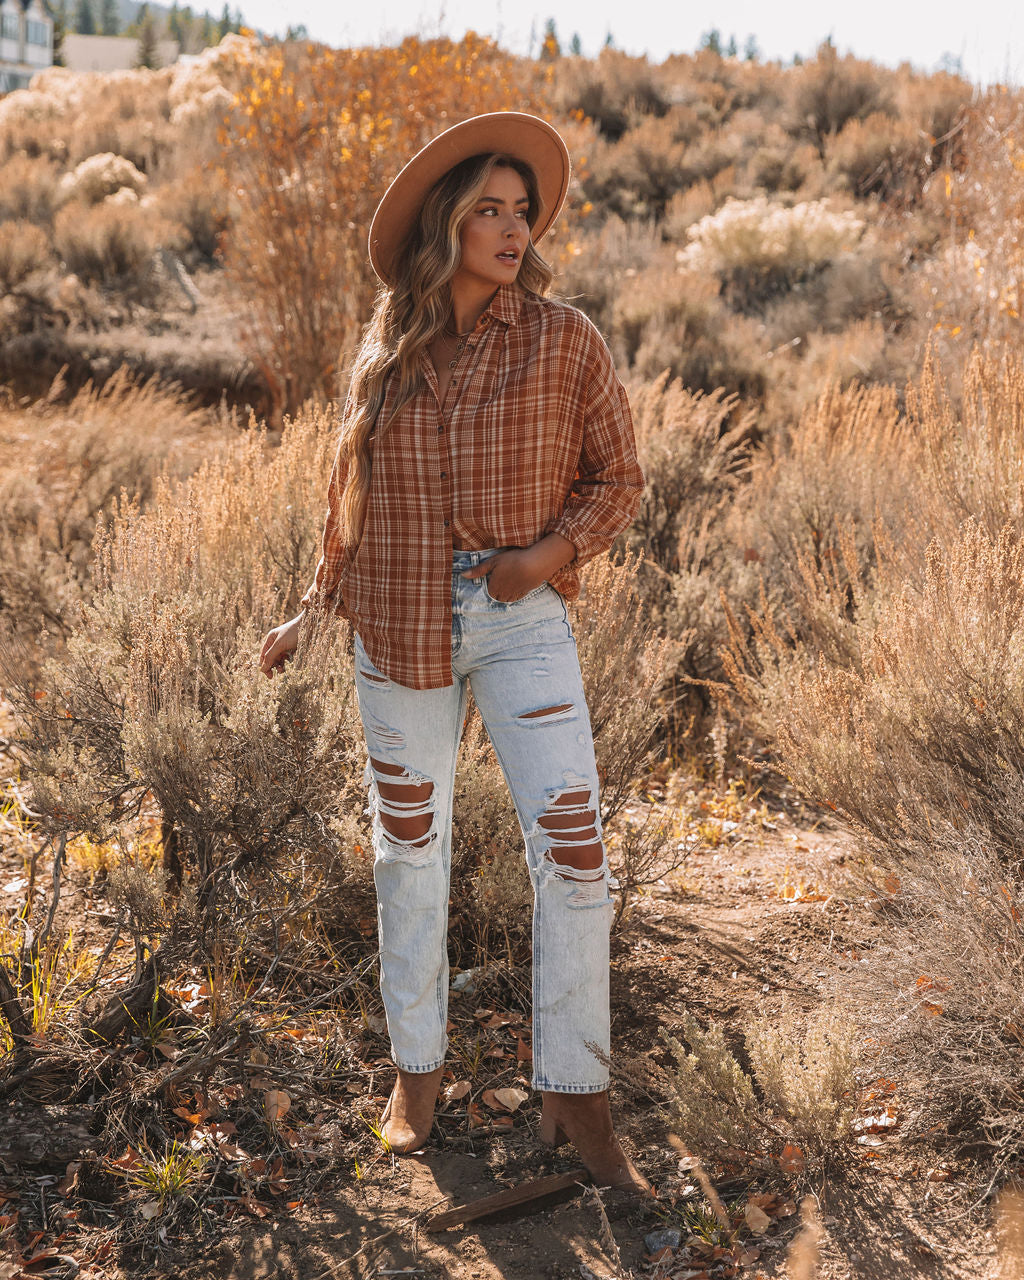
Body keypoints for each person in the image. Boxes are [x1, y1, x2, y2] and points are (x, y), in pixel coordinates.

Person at [259, 112, 648, 1191]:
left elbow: (619, 478)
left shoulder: (566, 338)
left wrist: (544, 556)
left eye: (522, 211)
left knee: (575, 852)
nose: (511, 227)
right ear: (447, 223)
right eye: (488, 208)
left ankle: (578, 1091)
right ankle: (415, 1072)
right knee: (408, 855)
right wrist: (308, 608)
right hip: (394, 626)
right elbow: (349, 500)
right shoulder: (386, 351)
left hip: (521, 621)